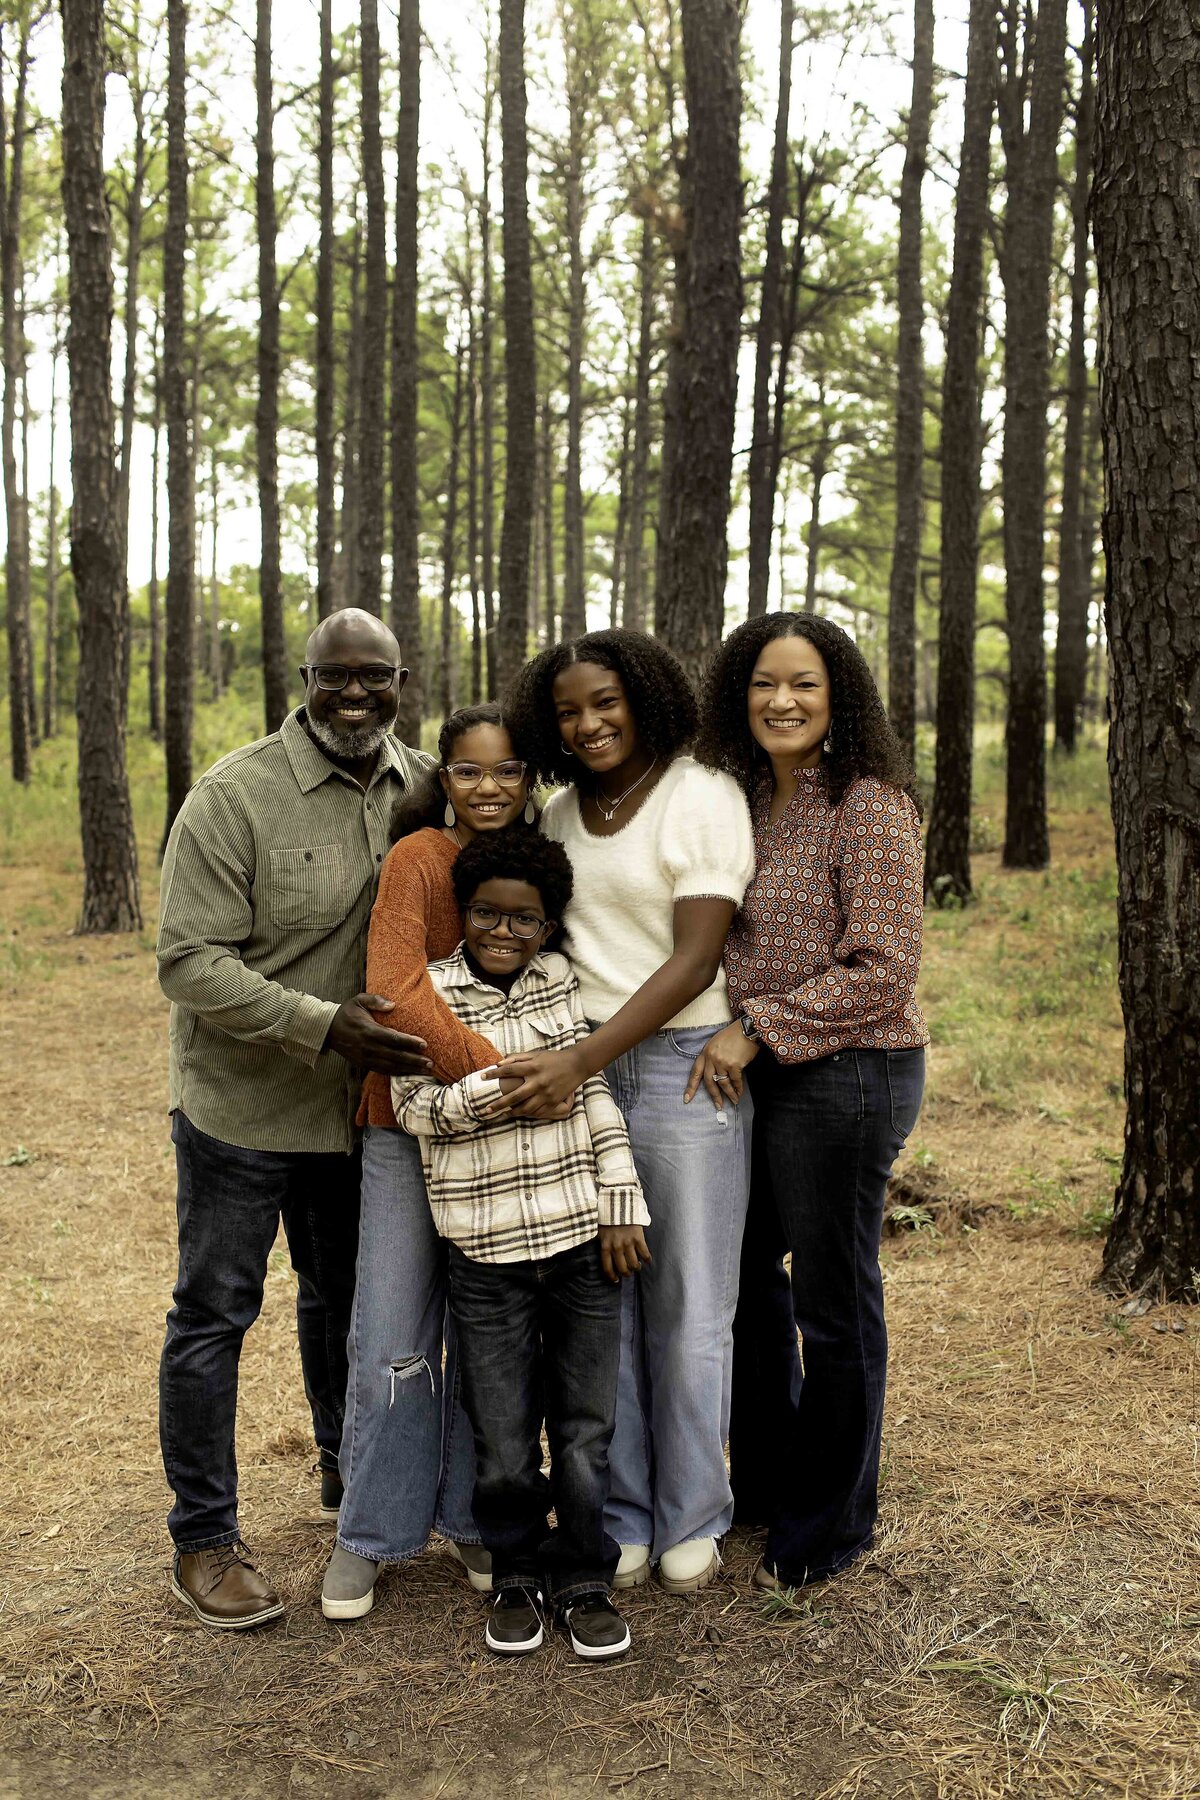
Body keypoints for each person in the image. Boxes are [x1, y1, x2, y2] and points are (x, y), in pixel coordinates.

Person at [156, 608, 432, 1630]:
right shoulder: (235, 796)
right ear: (303, 677)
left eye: (376, 678)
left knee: (346, 1301)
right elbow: (187, 962)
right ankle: (204, 1538)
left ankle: (345, 1471)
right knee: (213, 1317)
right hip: (242, 1108)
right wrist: (323, 1027)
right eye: (335, 678)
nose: (354, 697)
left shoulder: (429, 783)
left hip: (356, 1115)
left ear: (403, 680)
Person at [500, 630, 755, 1594]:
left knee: (689, 1306)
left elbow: (696, 959)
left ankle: (694, 1511)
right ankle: (624, 1512)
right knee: (604, 1308)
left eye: (604, 701)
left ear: (643, 697)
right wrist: (573, 1062)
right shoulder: (561, 813)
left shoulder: (703, 796)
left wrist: (579, 1062)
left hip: (687, 1071)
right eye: (568, 710)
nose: (589, 722)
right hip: (587, 1071)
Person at [690, 612, 928, 1590]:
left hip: (848, 1072)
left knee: (834, 1303)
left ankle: (832, 1520)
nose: (781, 702)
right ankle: (771, 1481)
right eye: (763, 684)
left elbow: (882, 968)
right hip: (763, 1077)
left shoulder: (868, 804)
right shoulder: (736, 801)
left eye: (804, 685)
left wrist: (758, 1027)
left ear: (839, 700)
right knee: (746, 1285)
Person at [391, 829, 649, 1660]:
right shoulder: (427, 992)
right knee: (502, 1436)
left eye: (524, 919)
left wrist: (622, 1201)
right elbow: (413, 1109)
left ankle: (582, 1579)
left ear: (549, 926)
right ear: (462, 914)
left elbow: (594, 1090)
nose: (503, 931)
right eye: (486, 914)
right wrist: (493, 1090)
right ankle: (513, 1573)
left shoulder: (561, 983)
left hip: (581, 1240)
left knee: (583, 1429)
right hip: (485, 1251)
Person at [321, 703, 541, 1621]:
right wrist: (503, 1077)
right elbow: (398, 991)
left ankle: (476, 1517)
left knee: (488, 1334)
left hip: (517, 1132)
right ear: (441, 777)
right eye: (467, 771)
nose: (487, 787)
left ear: (529, 778)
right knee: (392, 1331)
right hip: (407, 1125)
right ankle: (370, 1533)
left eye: (506, 771)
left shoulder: (540, 861)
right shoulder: (416, 860)